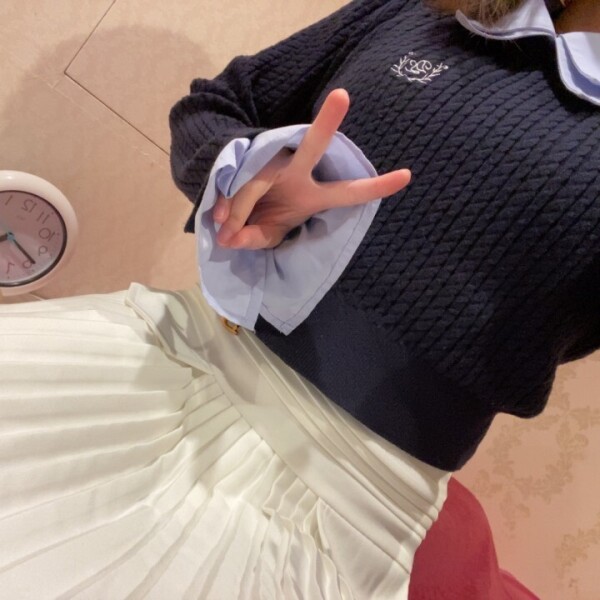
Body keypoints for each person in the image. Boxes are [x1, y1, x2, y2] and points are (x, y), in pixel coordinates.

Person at [1, 0, 598, 598]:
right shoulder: (421, 13)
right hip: (176, 349)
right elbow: (217, 104)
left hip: (344, 490)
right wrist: (249, 175)